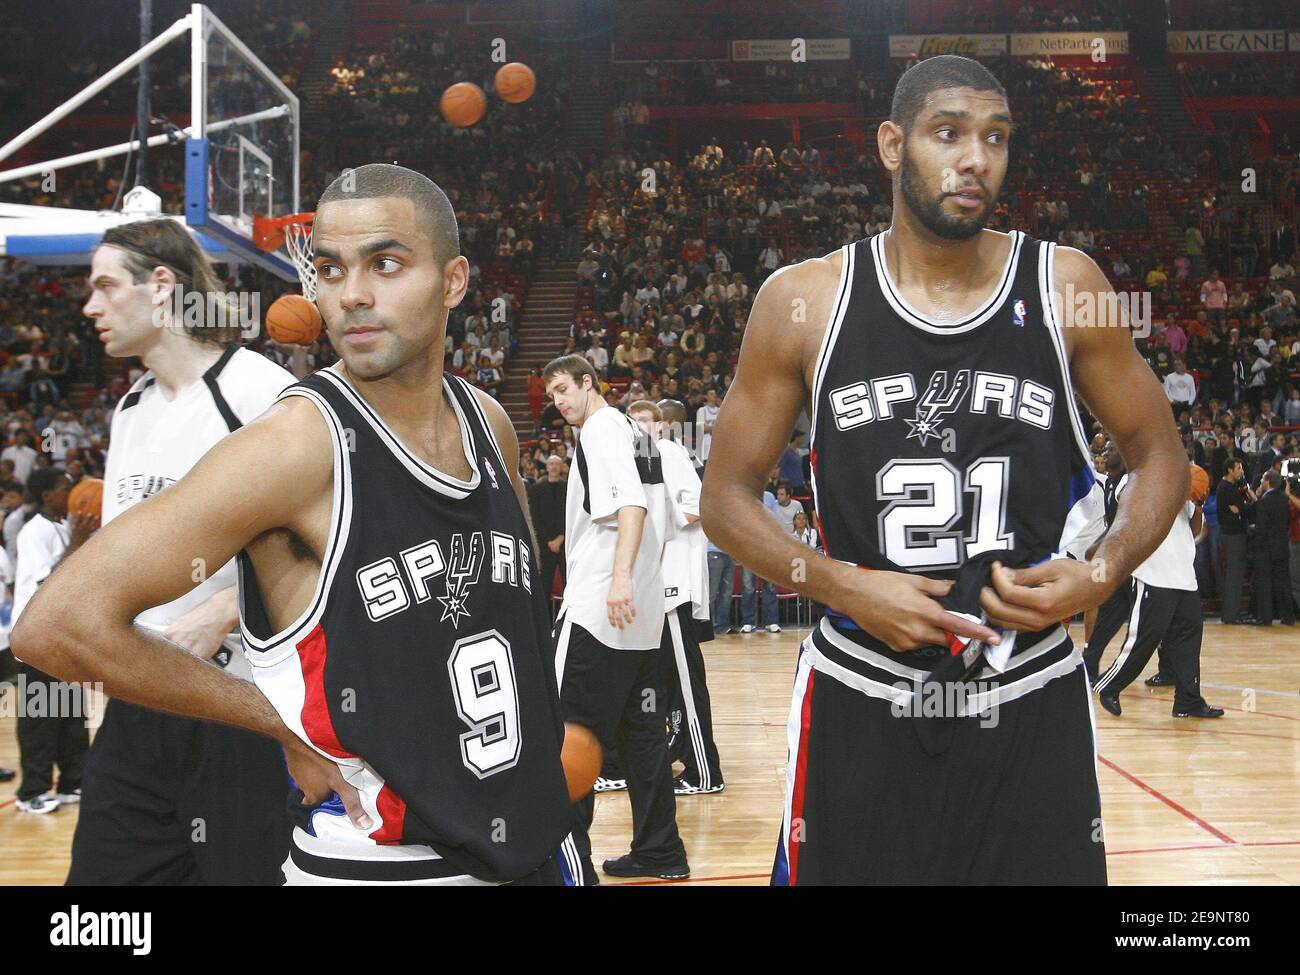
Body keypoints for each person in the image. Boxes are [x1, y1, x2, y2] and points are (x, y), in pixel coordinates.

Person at [701, 56, 1189, 885]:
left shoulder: (1069, 285)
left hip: (1028, 687)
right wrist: (842, 584)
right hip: (863, 688)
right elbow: (724, 497)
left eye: (996, 138)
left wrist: (1099, 573)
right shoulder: (805, 300)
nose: (976, 159)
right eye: (949, 134)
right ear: (893, 145)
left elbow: (1162, 458)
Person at [15, 164, 572, 886]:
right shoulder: (295, 442)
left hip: (524, 839)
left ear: (455, 281)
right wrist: (282, 721)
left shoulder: (489, 424)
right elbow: (55, 625)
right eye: (331, 270)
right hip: (379, 858)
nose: (352, 294)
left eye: (386, 263)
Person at [52, 218, 297, 882]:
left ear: (162, 285)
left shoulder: (258, 391)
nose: (90, 306)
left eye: (105, 286)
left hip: (234, 707)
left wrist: (224, 607)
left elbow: (320, 544)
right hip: (138, 704)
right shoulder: (129, 408)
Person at [543, 355, 689, 883]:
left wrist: (620, 575)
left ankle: (568, 862)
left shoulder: (602, 428)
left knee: (569, 734)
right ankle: (659, 849)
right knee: (642, 739)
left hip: (601, 607)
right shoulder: (637, 431)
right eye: (551, 394)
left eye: (564, 388)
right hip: (643, 619)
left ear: (589, 383)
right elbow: (669, 521)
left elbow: (631, 505)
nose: (559, 401)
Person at [1093, 473, 1224, 718]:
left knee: (1189, 638)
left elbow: (1196, 528)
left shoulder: (1183, 481)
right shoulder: (1135, 476)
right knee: (1145, 636)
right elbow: (1127, 507)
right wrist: (1170, 489)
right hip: (1153, 571)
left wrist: (1196, 501)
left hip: (1184, 573)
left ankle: (1188, 699)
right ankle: (1110, 685)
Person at [12, 468, 91, 813]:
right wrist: (76, 544)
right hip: (35, 637)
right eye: (64, 487)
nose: (71, 491)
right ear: (47, 496)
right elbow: (43, 584)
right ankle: (32, 792)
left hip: (64, 637)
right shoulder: (33, 533)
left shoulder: (63, 527)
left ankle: (74, 782)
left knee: (72, 718)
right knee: (40, 718)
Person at [1250, 470, 1294, 626]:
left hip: (1266, 548)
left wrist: (1255, 541)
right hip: (1282, 546)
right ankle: (1288, 616)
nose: (1261, 481)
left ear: (1267, 481)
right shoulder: (1284, 499)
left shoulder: (1264, 501)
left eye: (1262, 478)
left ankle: (1266, 618)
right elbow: (1288, 521)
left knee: (1265, 583)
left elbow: (1261, 528)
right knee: (1284, 583)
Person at [1215, 457, 1254, 623]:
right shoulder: (1226, 488)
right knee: (1234, 575)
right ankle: (1231, 615)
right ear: (1230, 470)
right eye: (1238, 468)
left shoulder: (1232, 486)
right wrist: (1249, 501)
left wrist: (1241, 508)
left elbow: (1240, 509)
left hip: (1233, 533)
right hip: (1232, 535)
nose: (1241, 471)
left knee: (1235, 575)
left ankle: (1232, 613)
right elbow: (1243, 508)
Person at [527, 454, 567, 613]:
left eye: (557, 464)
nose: (554, 467)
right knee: (543, 586)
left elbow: (572, 515)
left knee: (570, 585)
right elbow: (535, 518)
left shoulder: (569, 488)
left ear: (562, 467)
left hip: (565, 544)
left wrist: (561, 538)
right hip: (545, 546)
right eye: (551, 464)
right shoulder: (536, 490)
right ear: (547, 467)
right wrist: (549, 541)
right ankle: (544, 625)